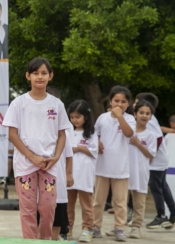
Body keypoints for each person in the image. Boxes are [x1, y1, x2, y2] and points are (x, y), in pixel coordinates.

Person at [3, 57, 69, 240]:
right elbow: (12, 134)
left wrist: (55, 158)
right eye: (35, 73)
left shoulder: (57, 105)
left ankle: (45, 240)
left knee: (48, 207)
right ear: (28, 76)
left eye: (43, 73)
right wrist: (31, 157)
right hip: (25, 164)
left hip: (49, 164)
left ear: (50, 76)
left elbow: (62, 134)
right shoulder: (19, 103)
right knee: (28, 209)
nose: (39, 77)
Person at [92, 86, 135, 241]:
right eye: (116, 100)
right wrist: (97, 142)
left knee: (120, 202)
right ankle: (95, 227)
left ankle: (119, 228)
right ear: (110, 101)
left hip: (120, 168)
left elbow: (129, 133)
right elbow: (93, 134)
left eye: (123, 101)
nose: (120, 103)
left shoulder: (129, 119)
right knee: (98, 201)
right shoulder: (102, 118)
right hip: (102, 167)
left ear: (128, 104)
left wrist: (120, 117)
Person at [66, 100, 98, 243]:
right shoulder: (67, 132)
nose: (75, 120)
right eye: (72, 117)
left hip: (84, 172)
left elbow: (94, 152)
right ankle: (67, 228)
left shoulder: (91, 133)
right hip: (70, 172)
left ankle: (87, 228)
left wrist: (79, 148)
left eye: (77, 117)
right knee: (68, 204)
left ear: (86, 116)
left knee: (86, 204)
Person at [147, 115, 175, 230]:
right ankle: (174, 213)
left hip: (156, 160)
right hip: (160, 159)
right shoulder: (152, 118)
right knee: (163, 186)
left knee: (156, 188)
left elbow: (158, 138)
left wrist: (151, 153)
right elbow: (160, 130)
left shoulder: (148, 119)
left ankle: (161, 215)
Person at [125, 100, 158, 239]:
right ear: (135, 114)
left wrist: (138, 144)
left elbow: (151, 154)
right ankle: (119, 227)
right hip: (125, 171)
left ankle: (136, 227)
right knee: (120, 202)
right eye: (141, 113)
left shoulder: (151, 135)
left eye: (148, 113)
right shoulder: (127, 131)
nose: (144, 116)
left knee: (139, 202)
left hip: (141, 172)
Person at [45, 86, 74, 241]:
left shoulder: (65, 132)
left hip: (58, 179)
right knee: (40, 213)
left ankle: (55, 239)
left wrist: (69, 173)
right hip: (40, 178)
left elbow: (69, 154)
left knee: (57, 213)